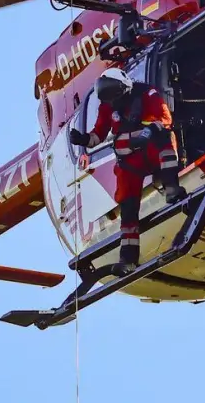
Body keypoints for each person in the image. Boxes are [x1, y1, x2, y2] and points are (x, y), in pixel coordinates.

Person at [69, 68, 184, 269]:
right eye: (108, 98)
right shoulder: (107, 107)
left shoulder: (147, 93)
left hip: (151, 150)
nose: (113, 101)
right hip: (129, 162)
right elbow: (99, 134)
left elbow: (165, 119)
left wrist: (149, 131)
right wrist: (83, 139)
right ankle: (128, 258)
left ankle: (172, 189)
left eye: (114, 95)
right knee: (128, 209)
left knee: (165, 141)